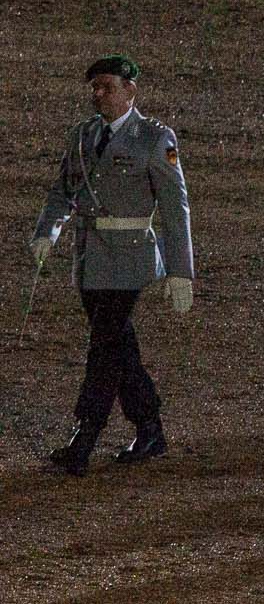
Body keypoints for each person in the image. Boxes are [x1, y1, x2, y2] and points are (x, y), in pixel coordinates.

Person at [34, 54, 193, 476]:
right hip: (89, 259)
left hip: (130, 258)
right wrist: (47, 232)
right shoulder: (83, 135)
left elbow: (176, 208)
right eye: (95, 87)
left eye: (106, 87)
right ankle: (149, 426)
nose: (98, 94)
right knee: (118, 345)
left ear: (130, 90)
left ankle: (83, 439)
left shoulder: (154, 139)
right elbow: (62, 190)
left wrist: (181, 271)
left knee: (104, 346)